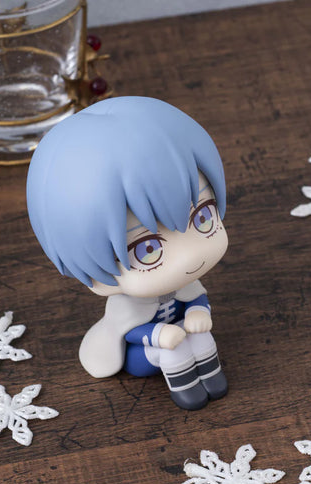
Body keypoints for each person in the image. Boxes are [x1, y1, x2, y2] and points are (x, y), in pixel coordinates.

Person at [26, 97, 229, 410]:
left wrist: (198, 313)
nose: (189, 257)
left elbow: (196, 300)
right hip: (147, 354)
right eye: (147, 249)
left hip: (183, 332)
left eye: (203, 217)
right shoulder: (126, 306)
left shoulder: (186, 285)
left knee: (202, 338)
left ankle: (213, 379)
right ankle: (187, 391)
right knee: (175, 352)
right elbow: (132, 331)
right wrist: (160, 336)